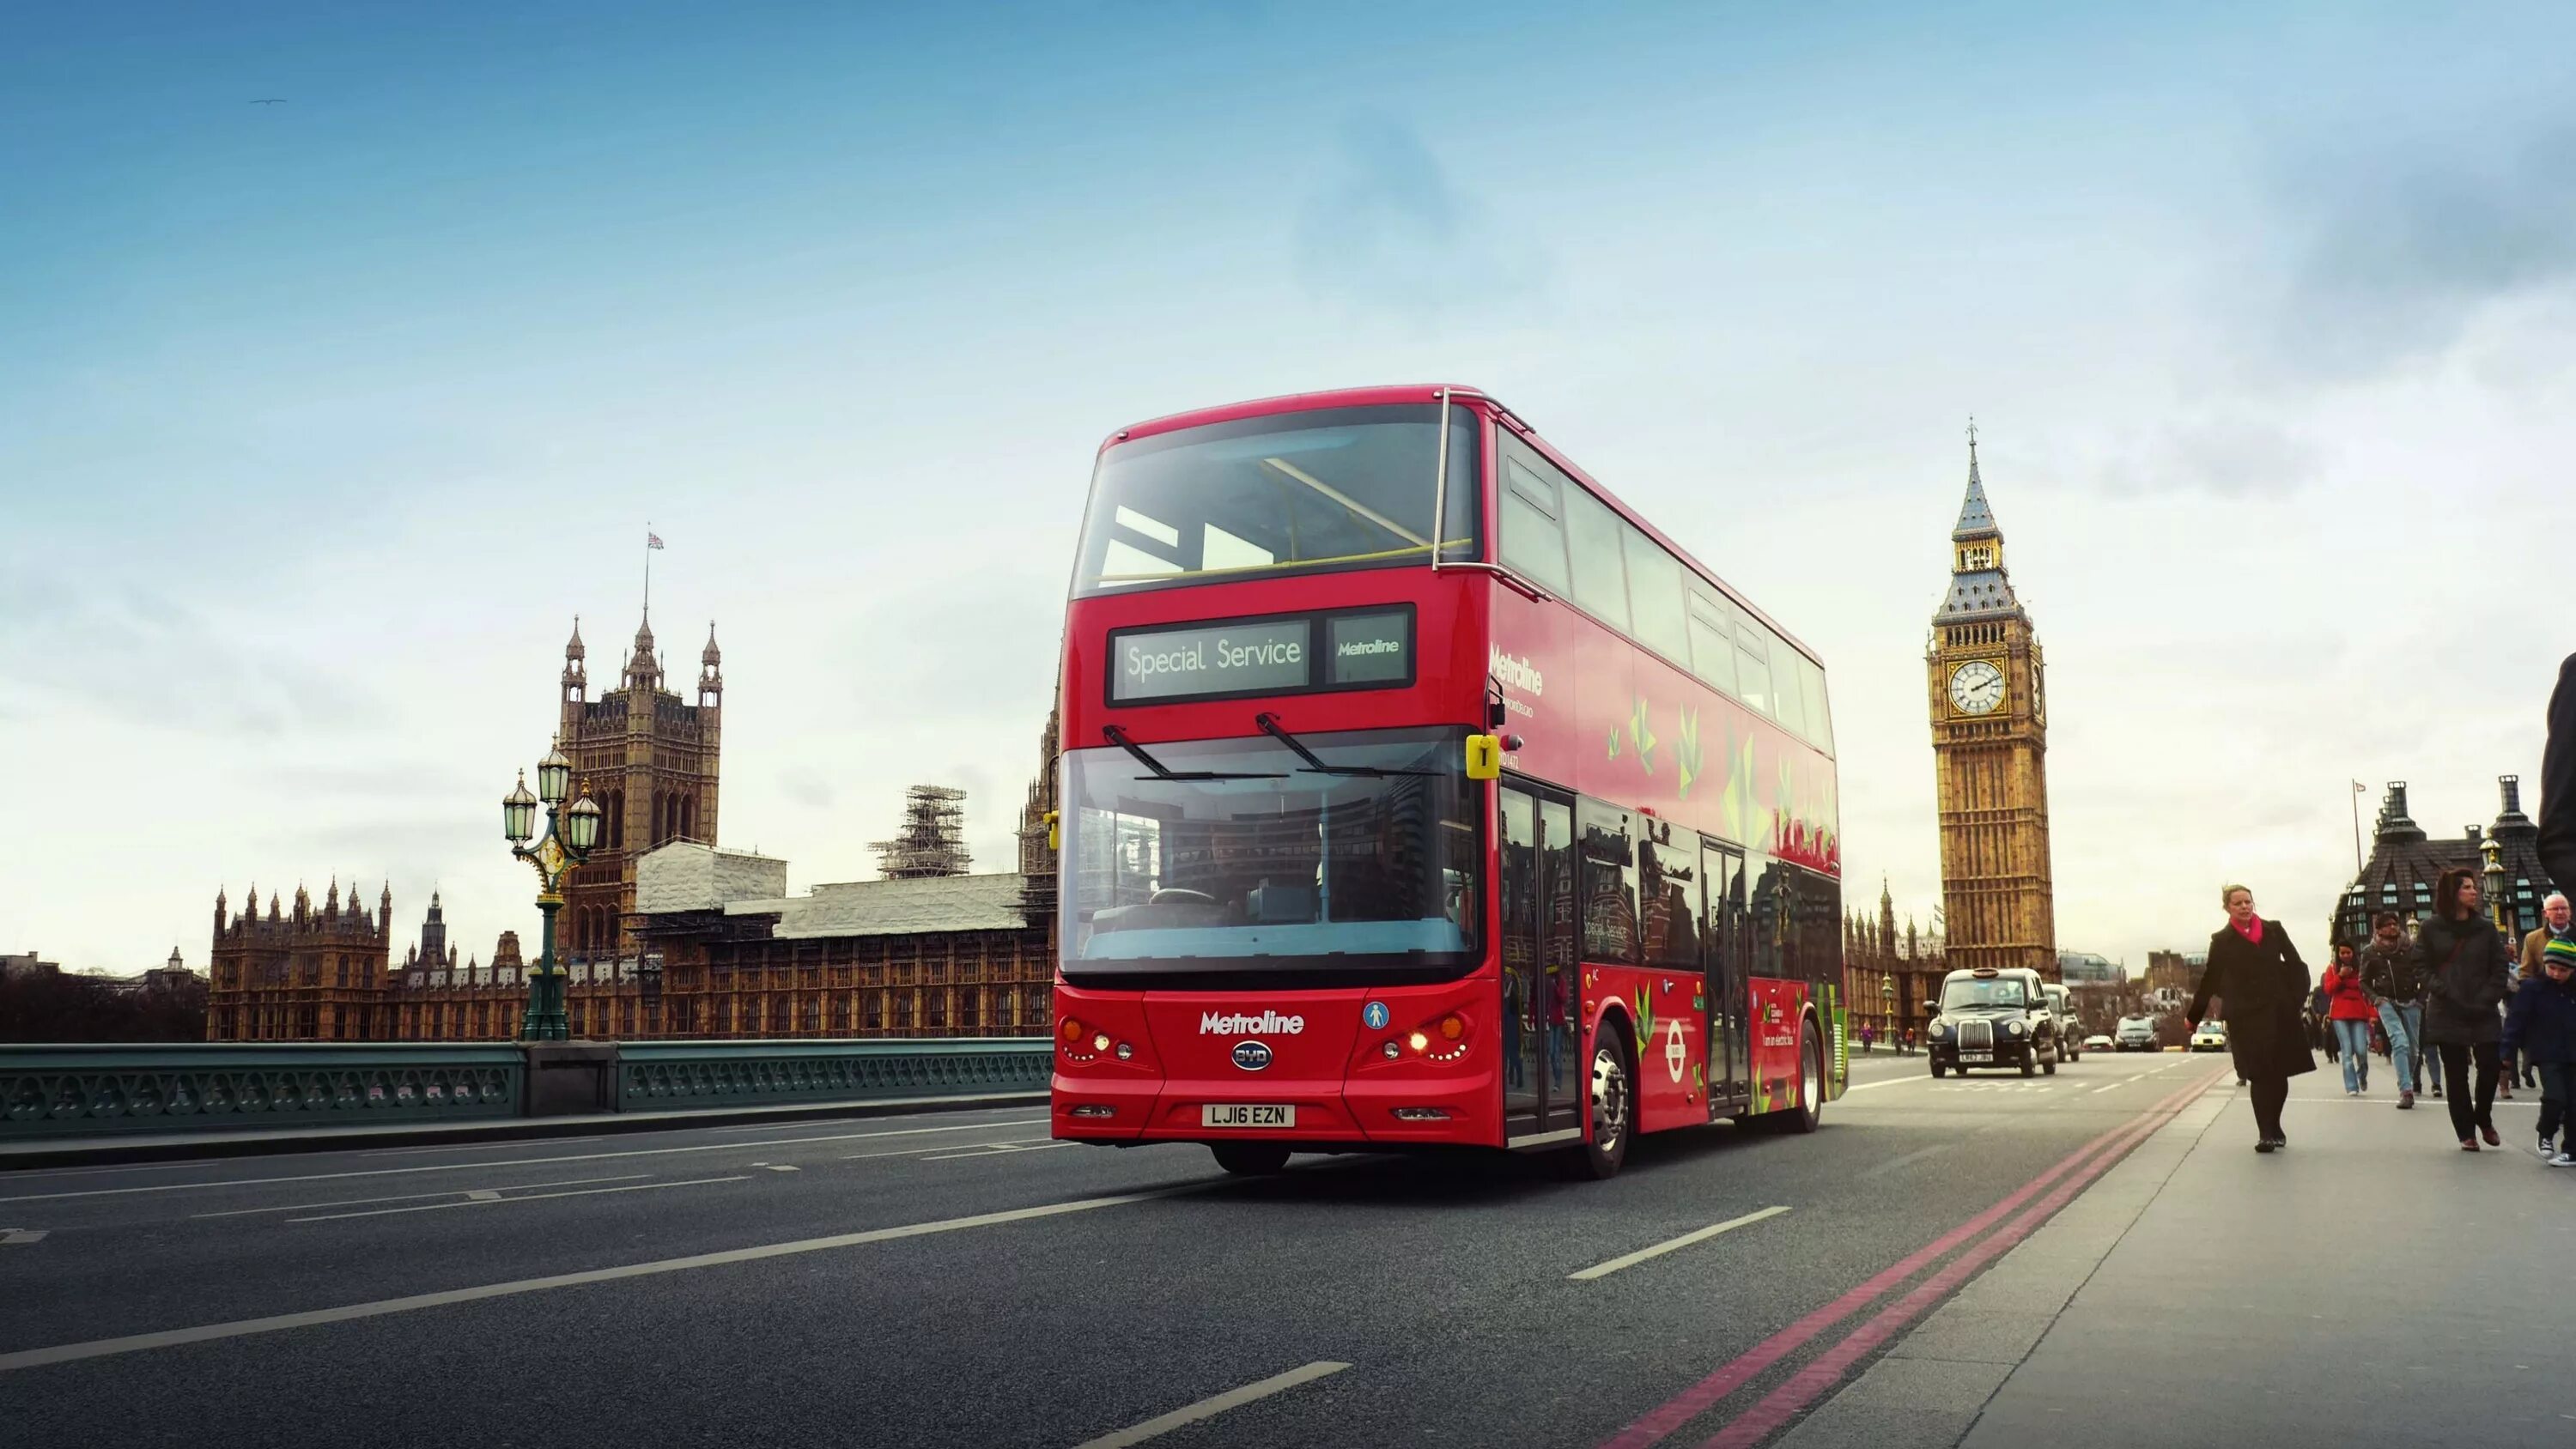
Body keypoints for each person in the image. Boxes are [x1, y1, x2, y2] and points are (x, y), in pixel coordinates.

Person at [2189, 884, 2314, 1152]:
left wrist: (2296, 999)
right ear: (2228, 908)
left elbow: (2295, 964)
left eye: (2248, 902)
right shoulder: (2221, 940)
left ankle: (2276, 1124)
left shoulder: (2274, 930)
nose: (2245, 907)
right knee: (2259, 1074)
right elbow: (2210, 978)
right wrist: (2194, 1016)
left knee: (2279, 1074)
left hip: (2279, 1011)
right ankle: (2265, 1133)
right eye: (2238, 904)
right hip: (2246, 1015)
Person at [2418, 865, 2514, 1150]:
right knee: (2456, 1072)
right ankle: (2465, 1132)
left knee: (2489, 1065)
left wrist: (2488, 996)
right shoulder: (2431, 928)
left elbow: (2500, 967)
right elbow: (2421, 967)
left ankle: (2483, 1116)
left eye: (2474, 887)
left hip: (2482, 1006)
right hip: (2448, 1007)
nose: (2474, 891)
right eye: (2467, 887)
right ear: (2453, 892)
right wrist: (2444, 990)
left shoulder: (2485, 928)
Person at [2504, 936, 2576, 1164]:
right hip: (2548, 1053)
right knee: (2555, 1098)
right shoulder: (2533, 989)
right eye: (2552, 968)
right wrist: (2506, 1053)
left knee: (2574, 1103)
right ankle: (2546, 1132)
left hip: (2573, 1053)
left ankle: (2572, 1150)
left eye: (2563, 970)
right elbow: (2516, 1021)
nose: (2556, 974)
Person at [2360, 912, 2432, 1109]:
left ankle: (2405, 1078)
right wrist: (2376, 999)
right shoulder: (2371, 951)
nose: (2393, 927)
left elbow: (2424, 972)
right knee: (2399, 1042)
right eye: (2388, 925)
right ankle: (2406, 1090)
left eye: (2395, 924)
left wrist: (2421, 999)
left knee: (2414, 1049)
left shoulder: (2410, 947)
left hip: (2411, 1001)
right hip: (2387, 1001)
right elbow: (2363, 981)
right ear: (2379, 929)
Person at [2320, 942, 2374, 1094]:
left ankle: (2362, 1075)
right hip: (2339, 1014)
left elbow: (2367, 991)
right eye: (2342, 953)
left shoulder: (2361, 969)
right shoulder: (2332, 969)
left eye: (2348, 952)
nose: (2345, 956)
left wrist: (2372, 1014)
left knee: (2361, 1050)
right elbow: (2328, 989)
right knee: (2347, 1050)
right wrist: (2340, 976)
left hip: (2358, 1013)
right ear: (2338, 954)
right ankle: (2351, 1086)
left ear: (2353, 953)